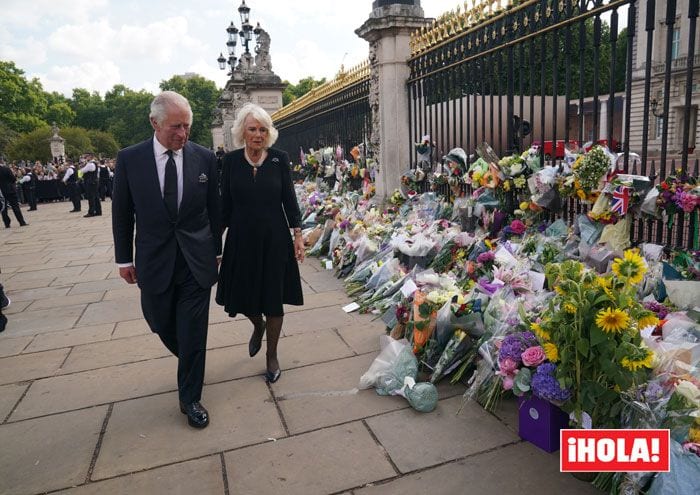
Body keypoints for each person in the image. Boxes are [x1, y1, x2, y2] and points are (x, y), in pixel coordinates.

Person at [112, 91, 221, 429]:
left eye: (187, 126)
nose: (183, 134)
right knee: (159, 321)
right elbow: (122, 212)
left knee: (193, 332)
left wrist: (216, 250)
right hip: (154, 259)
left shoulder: (204, 158)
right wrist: (122, 259)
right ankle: (190, 360)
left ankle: (190, 397)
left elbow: (215, 211)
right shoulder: (130, 159)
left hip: (196, 259)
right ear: (154, 123)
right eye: (175, 127)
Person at [215, 103, 304, 384]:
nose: (258, 134)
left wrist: (298, 235)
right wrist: (215, 245)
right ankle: (257, 325)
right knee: (242, 296)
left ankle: (272, 355)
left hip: (275, 239)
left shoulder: (279, 159)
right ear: (242, 131)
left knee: (273, 299)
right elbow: (224, 205)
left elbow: (289, 199)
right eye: (252, 129)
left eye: (263, 129)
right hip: (241, 240)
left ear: (269, 133)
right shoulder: (230, 162)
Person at [0, 162, 28, 227]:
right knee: (15, 206)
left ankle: (7, 223)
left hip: (1, 191)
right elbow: (13, 179)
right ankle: (21, 221)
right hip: (9, 189)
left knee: (3, 208)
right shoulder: (6, 169)